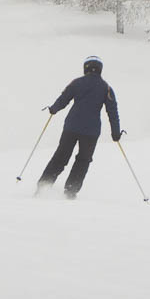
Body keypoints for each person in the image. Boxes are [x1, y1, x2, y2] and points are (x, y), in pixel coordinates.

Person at [36, 55, 122, 199]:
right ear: (100, 69)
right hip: (91, 132)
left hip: (71, 127)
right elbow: (112, 112)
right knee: (83, 160)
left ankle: (43, 186)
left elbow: (64, 98)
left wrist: (54, 109)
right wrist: (115, 133)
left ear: (85, 68)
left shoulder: (77, 83)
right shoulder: (106, 88)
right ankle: (71, 191)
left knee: (61, 157)